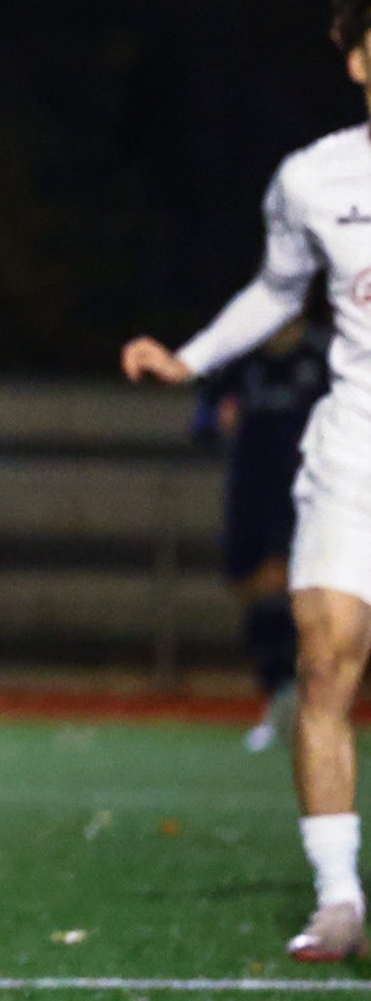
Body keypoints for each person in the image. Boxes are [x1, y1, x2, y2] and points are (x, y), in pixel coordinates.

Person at [121, 0, 371, 963]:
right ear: (357, 59)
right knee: (323, 659)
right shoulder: (313, 177)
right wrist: (190, 355)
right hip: (357, 439)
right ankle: (338, 895)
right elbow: (276, 292)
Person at [191, 317, 329, 753]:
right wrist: (216, 420)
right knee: (251, 585)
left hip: (307, 490)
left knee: (292, 588)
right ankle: (280, 696)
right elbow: (202, 421)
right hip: (250, 489)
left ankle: (299, 701)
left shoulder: (321, 357)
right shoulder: (241, 359)